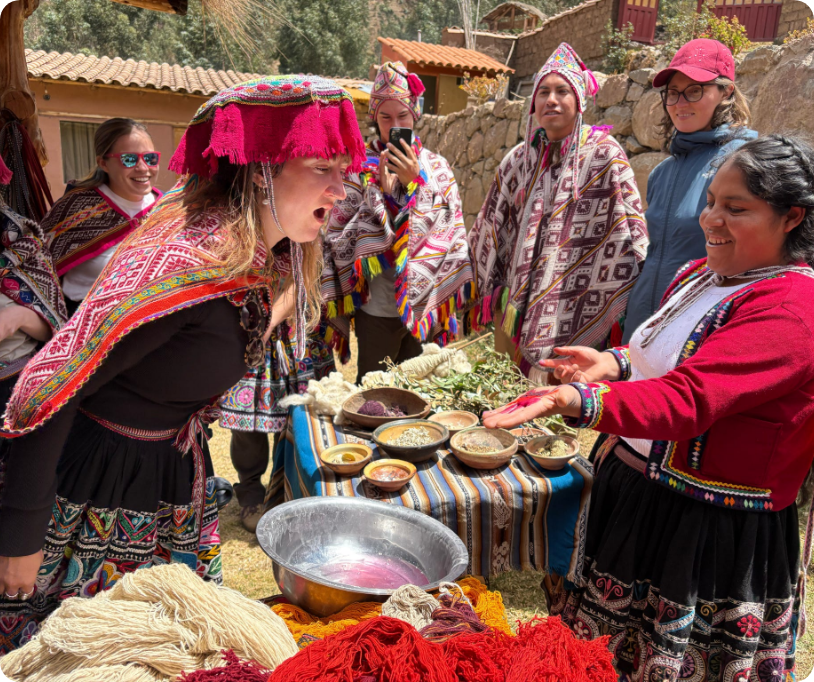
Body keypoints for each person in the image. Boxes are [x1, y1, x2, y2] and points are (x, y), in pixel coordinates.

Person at [0, 76, 366, 653]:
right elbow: (54, 382)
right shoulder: (184, 265)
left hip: (170, 481)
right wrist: (19, 535)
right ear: (262, 169)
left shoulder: (256, 257)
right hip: (99, 485)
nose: (341, 189)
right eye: (323, 165)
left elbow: (234, 328)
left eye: (344, 168)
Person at [484, 135, 814, 682]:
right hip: (636, 496)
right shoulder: (700, 277)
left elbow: (691, 397)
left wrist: (576, 399)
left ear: (791, 218)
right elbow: (661, 353)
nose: (712, 219)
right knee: (600, 659)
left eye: (736, 208)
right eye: (711, 202)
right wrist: (613, 363)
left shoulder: (794, 308)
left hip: (705, 531)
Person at [468, 43, 649, 382]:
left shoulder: (604, 156)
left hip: (575, 301)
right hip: (514, 308)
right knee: (505, 393)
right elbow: (492, 229)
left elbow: (629, 235)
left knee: (557, 410)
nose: (551, 99)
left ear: (579, 99)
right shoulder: (518, 160)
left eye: (562, 90)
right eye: (543, 92)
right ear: (533, 102)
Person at [321, 61, 475, 381]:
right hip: (375, 311)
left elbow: (450, 227)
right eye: (386, 117)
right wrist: (381, 201)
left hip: (425, 309)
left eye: (402, 116)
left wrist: (414, 185)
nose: (394, 125)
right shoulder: (356, 170)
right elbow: (337, 237)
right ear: (374, 118)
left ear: (415, 114)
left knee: (420, 399)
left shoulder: (437, 168)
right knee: (376, 396)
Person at [623, 38, 756, 342]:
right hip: (644, 325)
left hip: (699, 330)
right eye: (673, 93)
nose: (681, 103)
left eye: (695, 90)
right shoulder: (662, 173)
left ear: (726, 92)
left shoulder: (743, 163)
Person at [219, 313, 336, 532]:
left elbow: (302, 282)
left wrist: (271, 322)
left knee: (298, 418)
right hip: (247, 329)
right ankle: (251, 494)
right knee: (247, 424)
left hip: (293, 331)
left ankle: (286, 491)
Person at [42, 118, 162, 315]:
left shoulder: (167, 209)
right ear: (103, 163)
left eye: (150, 158)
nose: (143, 168)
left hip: (151, 321)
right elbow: (39, 264)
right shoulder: (76, 207)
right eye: (129, 159)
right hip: (84, 323)